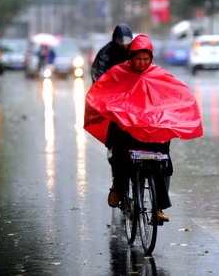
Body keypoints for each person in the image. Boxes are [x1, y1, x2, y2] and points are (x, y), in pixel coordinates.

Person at [84, 34, 203, 222]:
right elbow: (102, 93)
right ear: (130, 58)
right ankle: (118, 186)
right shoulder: (118, 73)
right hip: (128, 128)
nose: (142, 63)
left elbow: (177, 95)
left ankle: (159, 208)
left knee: (160, 161)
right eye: (138, 59)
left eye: (146, 59)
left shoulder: (159, 75)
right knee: (119, 149)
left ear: (151, 59)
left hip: (151, 128)